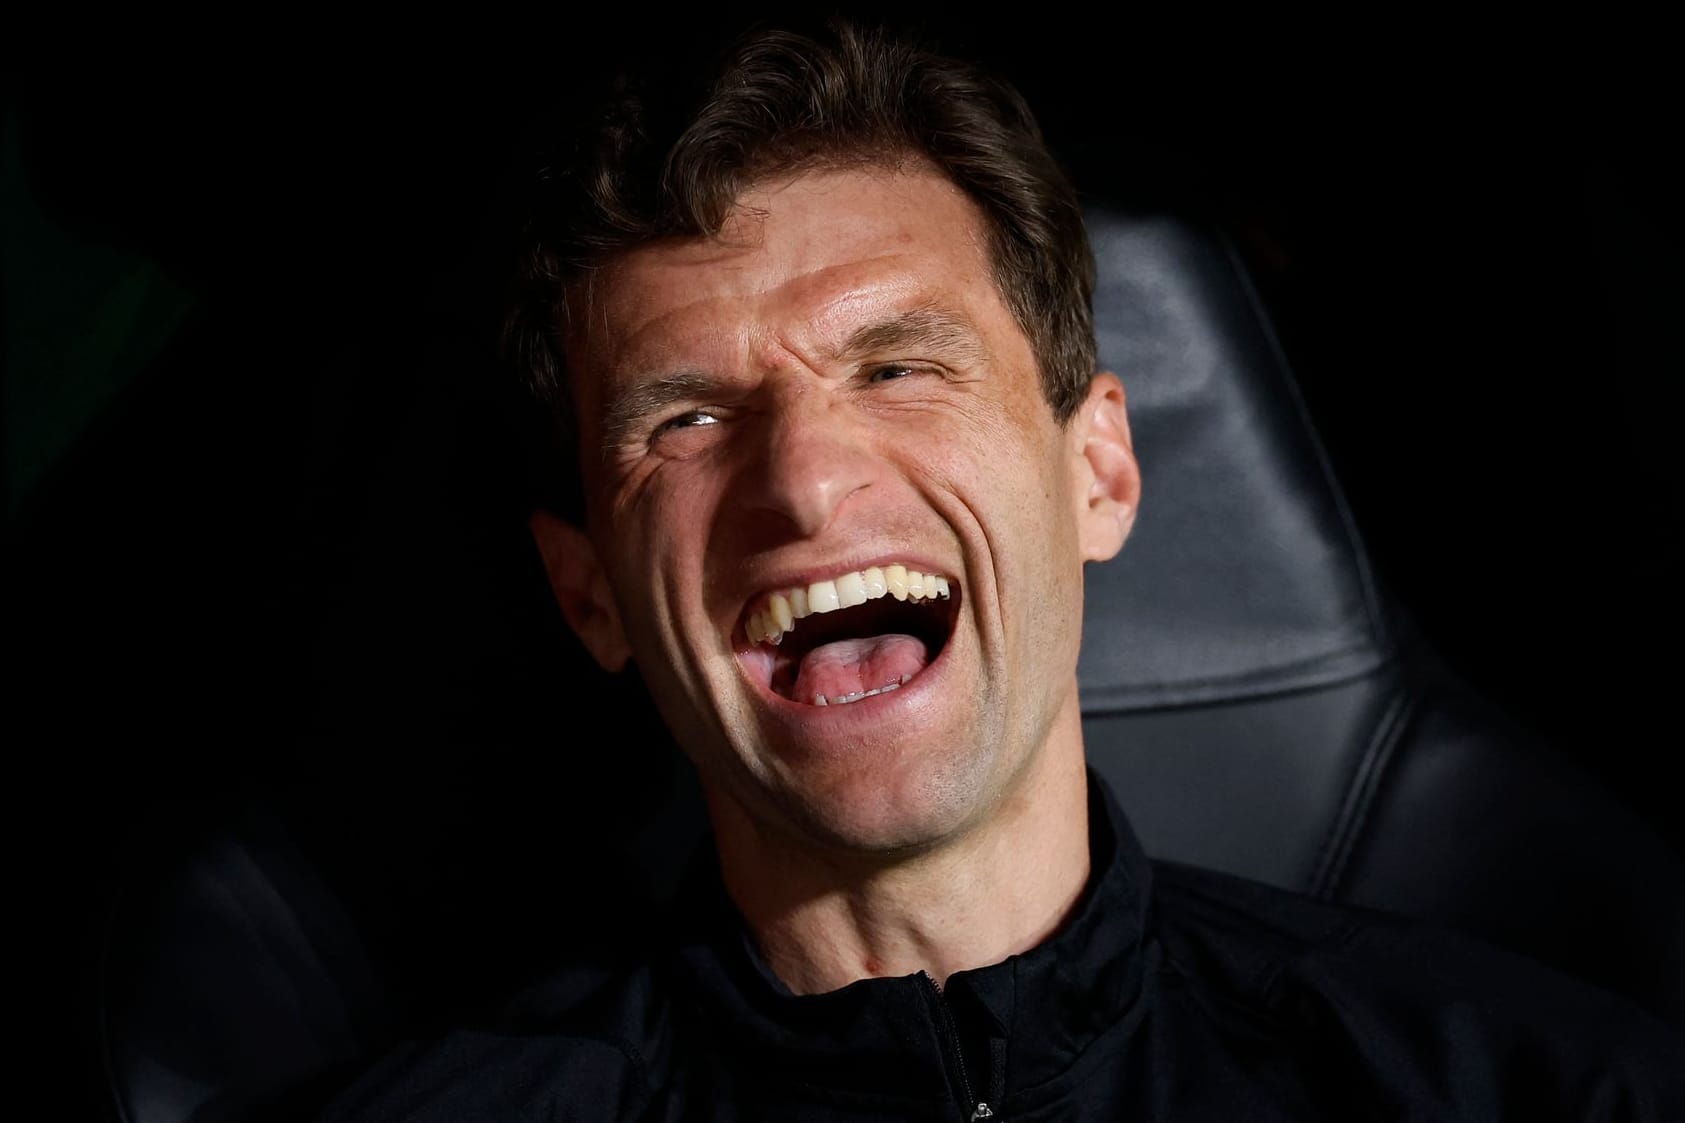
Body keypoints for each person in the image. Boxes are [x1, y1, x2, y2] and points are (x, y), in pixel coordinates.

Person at [317, 19, 1685, 1121]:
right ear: (590, 597)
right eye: (685, 419)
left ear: (1098, 470)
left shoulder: (1546, 1087)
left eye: (899, 366)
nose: (803, 481)